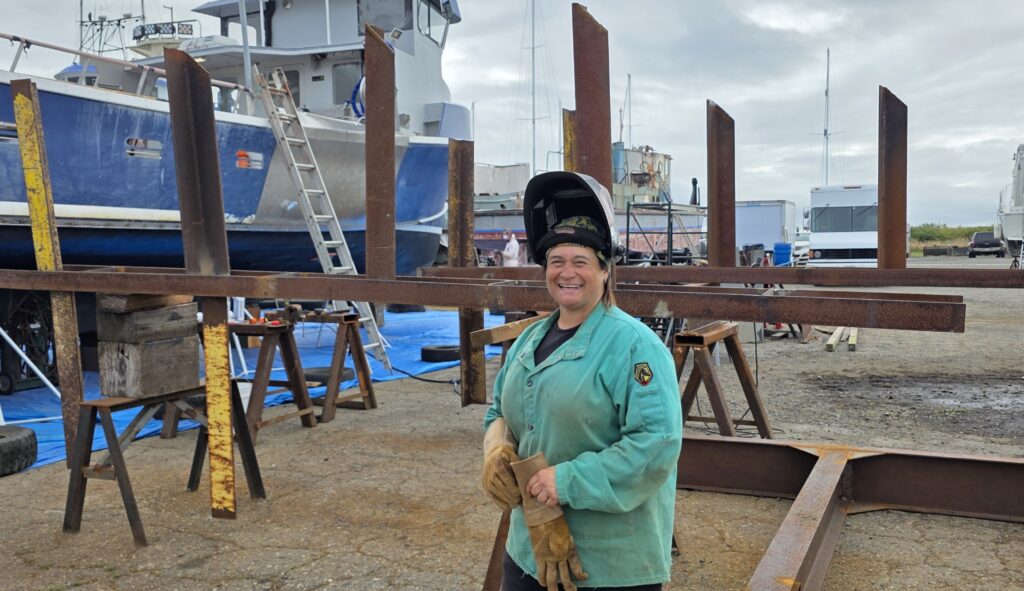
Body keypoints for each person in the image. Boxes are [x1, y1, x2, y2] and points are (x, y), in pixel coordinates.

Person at [482, 172, 683, 591]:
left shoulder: (634, 347)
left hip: (608, 565)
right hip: (531, 548)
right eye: (557, 261)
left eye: (581, 262)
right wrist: (495, 447)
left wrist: (567, 480)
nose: (566, 272)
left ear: (605, 271)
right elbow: (500, 410)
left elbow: (657, 443)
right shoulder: (529, 340)